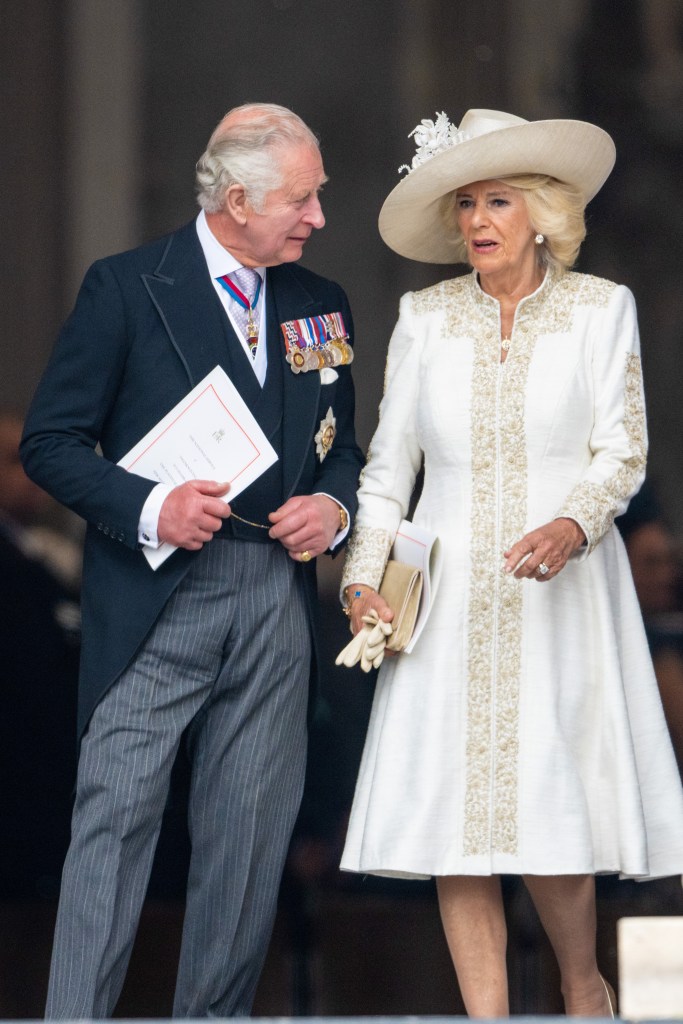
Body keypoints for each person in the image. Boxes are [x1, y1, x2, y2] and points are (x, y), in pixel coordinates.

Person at [20, 102, 363, 1018]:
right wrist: (149, 505)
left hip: (275, 601)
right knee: (114, 822)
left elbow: (342, 448)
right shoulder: (128, 287)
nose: (318, 217)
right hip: (155, 595)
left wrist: (333, 505)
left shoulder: (319, 302)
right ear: (237, 198)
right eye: (301, 199)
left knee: (247, 839)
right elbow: (50, 443)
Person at [338, 108, 683, 1017]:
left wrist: (573, 524)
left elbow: (623, 452)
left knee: (546, 796)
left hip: (559, 588)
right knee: (458, 818)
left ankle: (582, 984)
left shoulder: (601, 308)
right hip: (444, 593)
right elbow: (387, 468)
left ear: (538, 211)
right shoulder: (423, 316)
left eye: (496, 200)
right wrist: (362, 576)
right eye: (464, 204)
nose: (477, 221)